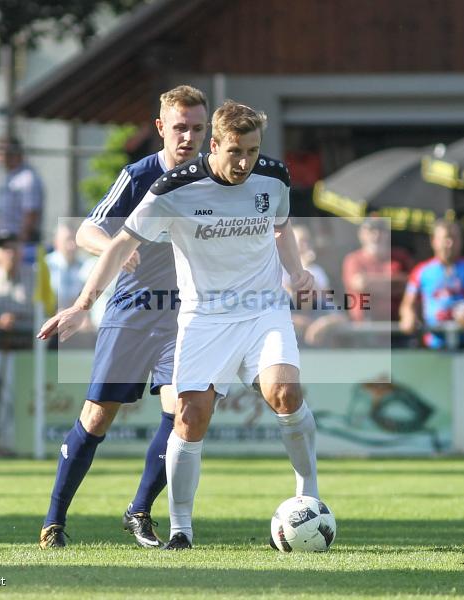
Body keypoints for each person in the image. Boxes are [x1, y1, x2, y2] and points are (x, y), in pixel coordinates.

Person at [38, 100, 320, 551]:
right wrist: (80, 305)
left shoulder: (274, 176)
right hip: (173, 315)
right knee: (146, 418)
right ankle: (141, 527)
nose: (245, 162)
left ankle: (306, 497)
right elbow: (108, 239)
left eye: (252, 150)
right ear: (212, 144)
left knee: (272, 395)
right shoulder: (164, 185)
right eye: (235, 152)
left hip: (247, 310)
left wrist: (297, 271)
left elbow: (282, 227)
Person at [38, 85, 209, 550]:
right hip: (132, 310)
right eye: (180, 127)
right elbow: (87, 230)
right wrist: (116, 251)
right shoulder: (139, 175)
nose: (189, 136)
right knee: (96, 418)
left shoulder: (214, 179)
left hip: (183, 316)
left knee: (184, 414)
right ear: (160, 128)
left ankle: (139, 511)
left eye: (197, 128)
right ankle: (54, 520)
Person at [398, 220, 464, 349]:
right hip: (433, 345)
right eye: (446, 238)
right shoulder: (422, 271)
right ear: (434, 241)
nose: (450, 244)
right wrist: (408, 316)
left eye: (454, 238)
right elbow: (407, 304)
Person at [342, 218, 408, 323]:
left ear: (388, 234)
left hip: (396, 325)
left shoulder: (400, 257)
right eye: (371, 230)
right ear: (361, 234)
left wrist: (371, 283)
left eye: (381, 230)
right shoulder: (353, 259)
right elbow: (360, 284)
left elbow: (410, 284)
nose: (376, 236)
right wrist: (395, 284)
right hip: (365, 327)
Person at [0, 135, 45, 262]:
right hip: (8, 243)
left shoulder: (28, 179)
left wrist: (19, 245)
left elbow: (31, 213)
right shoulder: (11, 177)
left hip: (22, 246)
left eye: (2, 153)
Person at [45, 222, 89, 310]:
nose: (72, 245)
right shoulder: (46, 266)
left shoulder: (86, 266)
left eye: (74, 240)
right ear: (56, 242)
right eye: (67, 240)